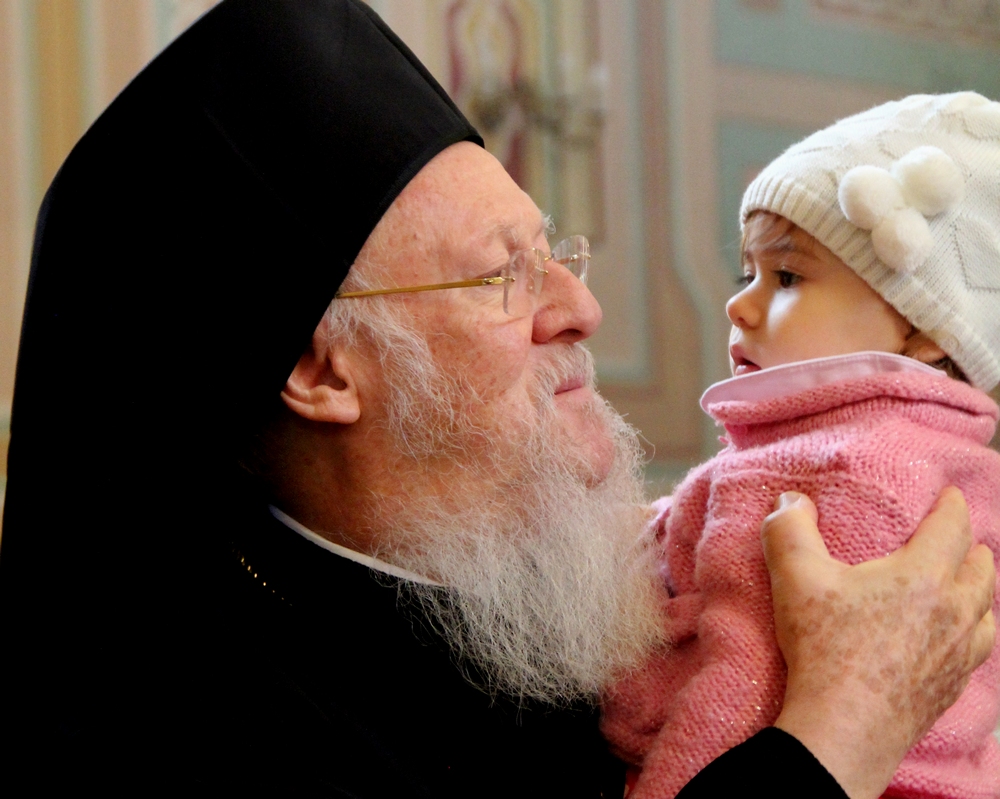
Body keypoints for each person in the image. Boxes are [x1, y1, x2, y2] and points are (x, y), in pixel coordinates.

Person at [0, 3, 993, 796]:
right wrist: (835, 735)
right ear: (321, 372)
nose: (583, 308)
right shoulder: (169, 744)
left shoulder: (557, 602)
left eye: (553, 254)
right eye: (498, 277)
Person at [602, 92, 1000, 799]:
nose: (738, 303)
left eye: (786, 276)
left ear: (925, 327)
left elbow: (743, 696)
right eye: (745, 272)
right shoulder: (916, 449)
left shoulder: (842, 473)